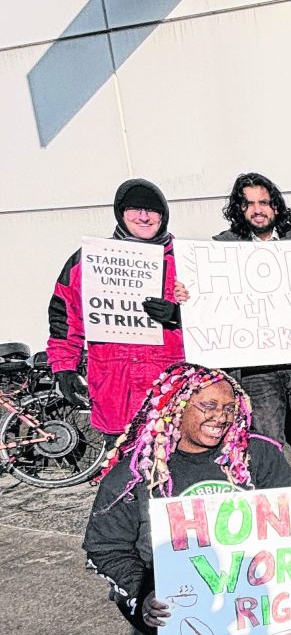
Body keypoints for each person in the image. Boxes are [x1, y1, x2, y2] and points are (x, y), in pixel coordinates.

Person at [83, 363, 291, 635]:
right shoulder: (136, 473)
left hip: (251, 592)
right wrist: (143, 592)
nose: (221, 417)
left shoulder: (258, 455)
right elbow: (105, 548)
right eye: (208, 405)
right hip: (173, 600)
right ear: (177, 406)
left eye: (230, 408)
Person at [177, 172, 291, 473]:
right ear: (239, 209)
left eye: (264, 202)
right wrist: (187, 293)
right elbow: (207, 298)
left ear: (276, 207)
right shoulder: (221, 249)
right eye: (249, 204)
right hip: (256, 366)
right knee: (268, 440)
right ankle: (285, 496)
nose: (258, 210)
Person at [47, 179, 185, 441]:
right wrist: (65, 368)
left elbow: (217, 317)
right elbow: (65, 319)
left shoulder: (187, 260)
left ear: (163, 215)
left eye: (152, 210)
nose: (143, 216)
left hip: (174, 397)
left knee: (179, 477)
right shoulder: (88, 260)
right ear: (121, 213)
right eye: (134, 209)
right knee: (122, 478)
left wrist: (179, 317)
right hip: (115, 395)